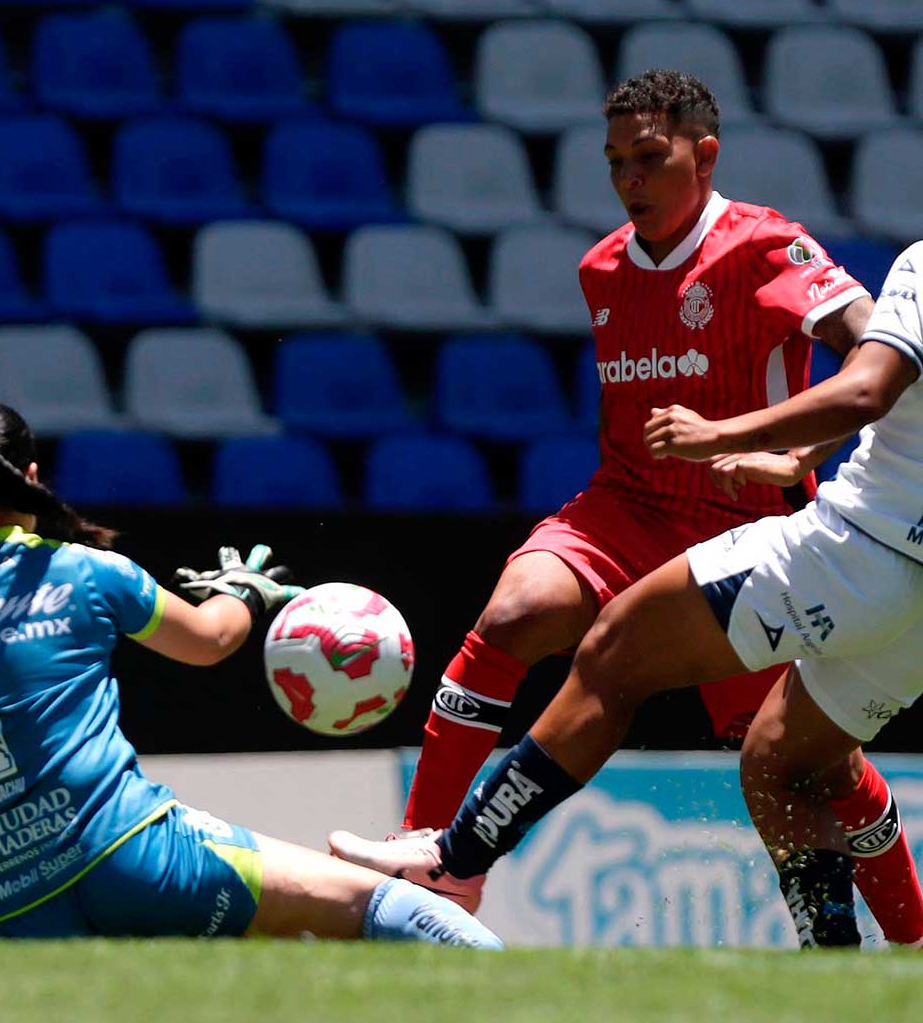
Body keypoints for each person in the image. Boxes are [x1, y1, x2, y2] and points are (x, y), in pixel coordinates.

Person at [384, 68, 923, 944]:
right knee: (517, 612)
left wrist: (780, 452)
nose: (630, 179)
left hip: (741, 521)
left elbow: (873, 371)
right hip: (624, 507)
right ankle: (427, 864)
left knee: (805, 762)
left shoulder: (767, 246)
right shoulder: (601, 269)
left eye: (649, 157)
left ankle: (909, 938)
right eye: (614, 164)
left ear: (703, 156)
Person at [0, 400, 502, 950]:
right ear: (32, 479)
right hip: (139, 858)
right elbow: (211, 642)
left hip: (18, 915)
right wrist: (244, 589)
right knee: (388, 909)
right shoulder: (85, 573)